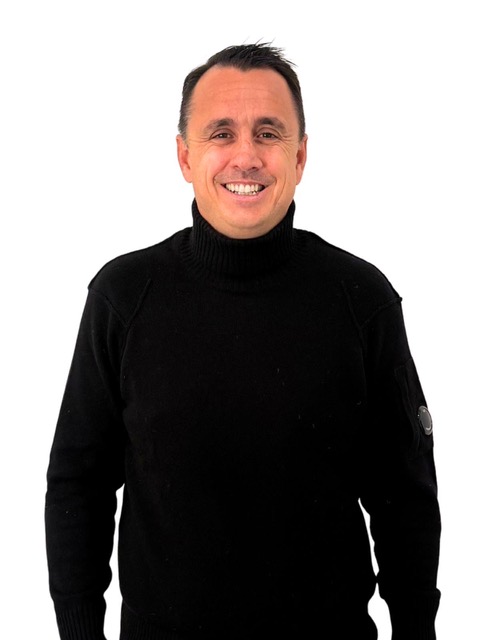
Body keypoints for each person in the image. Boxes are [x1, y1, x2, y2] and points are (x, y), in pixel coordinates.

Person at [45, 43, 441, 640]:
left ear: (300, 156)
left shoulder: (362, 299)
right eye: (221, 133)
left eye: (269, 134)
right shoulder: (123, 297)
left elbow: (404, 495)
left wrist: (416, 628)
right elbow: (79, 482)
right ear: (185, 156)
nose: (247, 156)